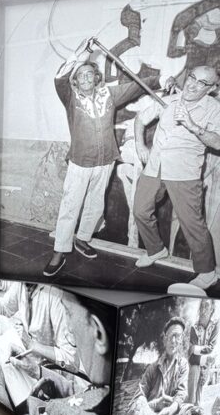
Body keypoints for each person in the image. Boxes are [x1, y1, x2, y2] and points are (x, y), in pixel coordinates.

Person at [43, 37, 164, 277]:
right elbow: (60, 77)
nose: (86, 78)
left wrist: (161, 80)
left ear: (97, 77)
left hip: (106, 160)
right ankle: (59, 251)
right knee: (70, 206)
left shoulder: (109, 95)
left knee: (96, 204)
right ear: (75, 81)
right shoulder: (70, 98)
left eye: (90, 74)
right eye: (81, 75)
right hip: (80, 162)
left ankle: (83, 238)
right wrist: (82, 53)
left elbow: (136, 87)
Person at [133, 65, 220, 290]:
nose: (193, 84)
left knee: (192, 224)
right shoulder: (170, 99)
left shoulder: (214, 109)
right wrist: (140, 144)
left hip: (184, 173)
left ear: (211, 89)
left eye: (202, 83)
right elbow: (140, 119)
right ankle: (156, 250)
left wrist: (194, 126)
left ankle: (208, 272)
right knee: (140, 211)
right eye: (192, 77)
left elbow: (218, 142)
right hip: (155, 167)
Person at [27, 293, 115, 415]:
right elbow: (89, 394)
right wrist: (37, 371)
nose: (68, 327)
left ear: (98, 333)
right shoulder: (111, 385)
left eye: (68, 312)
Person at [129, 317, 189, 415]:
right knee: (140, 402)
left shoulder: (183, 365)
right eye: (170, 336)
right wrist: (155, 404)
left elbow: (182, 393)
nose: (173, 341)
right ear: (165, 339)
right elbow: (136, 402)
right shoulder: (153, 368)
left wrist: (172, 409)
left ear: (181, 340)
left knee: (190, 410)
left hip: (173, 414)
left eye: (177, 336)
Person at [187, 299, 218, 406]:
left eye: (206, 306)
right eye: (202, 306)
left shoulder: (215, 325)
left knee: (201, 384)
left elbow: (211, 348)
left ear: (212, 309)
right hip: (196, 364)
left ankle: (196, 405)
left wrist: (196, 349)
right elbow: (192, 357)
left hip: (208, 364)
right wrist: (206, 358)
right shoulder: (194, 328)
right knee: (195, 368)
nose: (203, 310)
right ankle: (190, 405)